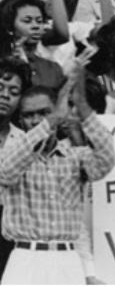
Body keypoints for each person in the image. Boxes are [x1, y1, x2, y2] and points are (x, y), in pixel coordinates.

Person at [0, 61, 115, 284]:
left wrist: (82, 107)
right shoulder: (13, 151)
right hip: (25, 258)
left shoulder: (74, 156)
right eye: (29, 115)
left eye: (44, 113)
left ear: (61, 112)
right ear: (21, 119)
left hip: (68, 259)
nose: (36, 120)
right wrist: (51, 120)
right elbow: (5, 172)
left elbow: (107, 157)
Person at [0, 57, 31, 281]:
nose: (5, 95)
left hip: (9, 235)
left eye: (14, 91)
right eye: (0, 87)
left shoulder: (24, 141)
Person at [0, 0, 65, 90]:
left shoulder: (53, 68)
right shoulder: (2, 63)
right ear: (9, 26)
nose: (36, 26)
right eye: (27, 21)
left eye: (39, 21)